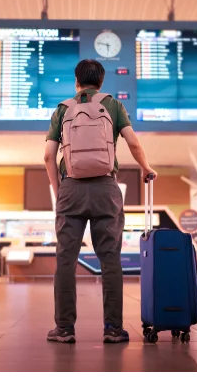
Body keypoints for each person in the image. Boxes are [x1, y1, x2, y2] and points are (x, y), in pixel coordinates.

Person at [43, 59, 157, 344]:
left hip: (71, 188)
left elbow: (47, 156)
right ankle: (113, 328)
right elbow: (133, 143)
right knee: (110, 260)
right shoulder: (113, 105)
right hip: (106, 187)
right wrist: (145, 168)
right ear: (101, 82)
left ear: (76, 81)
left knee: (65, 259)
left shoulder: (63, 109)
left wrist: (60, 191)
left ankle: (65, 328)